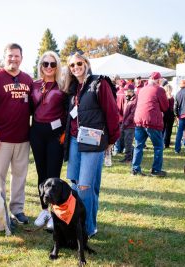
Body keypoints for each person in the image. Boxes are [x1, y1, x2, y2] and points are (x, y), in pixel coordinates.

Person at [62, 50, 120, 237]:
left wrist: (111, 141)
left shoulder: (99, 83)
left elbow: (112, 113)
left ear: (86, 63)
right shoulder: (72, 88)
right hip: (73, 141)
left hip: (93, 142)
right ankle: (79, 224)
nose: (76, 67)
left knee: (86, 187)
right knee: (76, 183)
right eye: (72, 65)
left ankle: (86, 228)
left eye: (79, 63)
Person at [0, 43, 33, 225]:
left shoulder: (28, 79)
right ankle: (1, 211)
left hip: (23, 137)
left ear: (22, 57)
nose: (13, 59)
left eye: (17, 56)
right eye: (10, 56)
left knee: (20, 175)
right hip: (1, 137)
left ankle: (17, 209)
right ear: (4, 56)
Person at [30, 51, 67, 230]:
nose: (49, 67)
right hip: (37, 132)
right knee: (41, 173)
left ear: (57, 66)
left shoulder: (63, 86)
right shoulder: (34, 85)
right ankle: (44, 209)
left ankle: (55, 213)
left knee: (54, 174)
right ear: (41, 66)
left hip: (55, 134)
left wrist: (64, 134)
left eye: (53, 64)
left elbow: (69, 110)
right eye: (46, 64)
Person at [131, 72, 169, 177]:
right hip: (152, 121)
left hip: (139, 119)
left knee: (138, 146)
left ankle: (135, 169)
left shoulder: (142, 89)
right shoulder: (159, 90)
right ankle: (156, 170)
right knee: (158, 146)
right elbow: (165, 107)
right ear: (158, 80)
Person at [118, 83, 137, 163]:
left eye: (127, 91)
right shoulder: (127, 99)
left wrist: (125, 123)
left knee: (128, 141)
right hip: (124, 124)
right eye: (125, 91)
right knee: (123, 141)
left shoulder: (135, 100)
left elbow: (133, 114)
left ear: (131, 91)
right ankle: (130, 154)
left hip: (130, 125)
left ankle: (128, 158)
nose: (125, 92)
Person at [162, 83, 175, 149]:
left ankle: (162, 143)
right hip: (170, 113)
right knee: (169, 130)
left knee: (163, 129)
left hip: (164, 113)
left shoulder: (164, 97)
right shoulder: (172, 97)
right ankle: (166, 143)